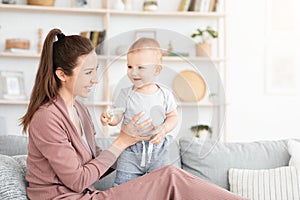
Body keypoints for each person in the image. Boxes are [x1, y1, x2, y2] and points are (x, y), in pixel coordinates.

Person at [20, 28, 248, 200]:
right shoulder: (46, 117)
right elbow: (78, 180)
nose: (96, 79)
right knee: (170, 177)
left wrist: (136, 147)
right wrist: (122, 141)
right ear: (61, 74)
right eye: (88, 72)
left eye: (96, 70)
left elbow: (96, 161)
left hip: (87, 195)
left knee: (167, 175)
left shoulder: (78, 109)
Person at [100, 37, 178, 185]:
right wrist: (109, 119)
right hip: (130, 151)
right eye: (129, 67)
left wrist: (164, 129)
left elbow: (173, 116)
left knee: (161, 186)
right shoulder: (125, 93)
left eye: (140, 68)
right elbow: (117, 116)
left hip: (158, 149)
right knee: (123, 187)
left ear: (157, 69)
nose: (133, 72)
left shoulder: (165, 94)